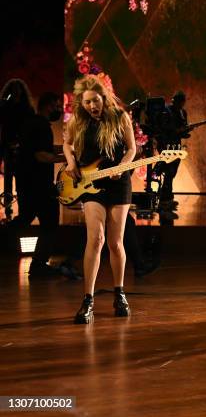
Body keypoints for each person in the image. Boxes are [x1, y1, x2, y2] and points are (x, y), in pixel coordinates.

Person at [63, 75, 136, 324]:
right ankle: (88, 299)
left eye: (95, 101)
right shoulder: (78, 121)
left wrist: (122, 167)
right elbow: (67, 144)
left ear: (104, 98)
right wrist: (72, 161)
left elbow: (131, 149)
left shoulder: (120, 117)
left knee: (115, 243)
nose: (92, 106)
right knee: (95, 239)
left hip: (118, 183)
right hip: (90, 184)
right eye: (87, 103)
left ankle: (120, 293)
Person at [10, 92, 65, 277]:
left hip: (27, 183)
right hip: (39, 185)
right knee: (50, 223)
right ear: (48, 105)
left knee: (24, 218)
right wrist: (68, 159)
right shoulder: (41, 126)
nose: (59, 110)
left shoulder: (32, 124)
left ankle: (36, 263)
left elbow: (45, 148)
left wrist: (67, 150)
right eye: (57, 106)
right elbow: (42, 155)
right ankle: (39, 265)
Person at [0, 78, 35, 220]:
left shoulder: (26, 107)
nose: (15, 91)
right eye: (12, 89)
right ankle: (8, 209)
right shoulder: (5, 105)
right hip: (7, 145)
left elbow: (30, 127)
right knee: (8, 178)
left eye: (17, 88)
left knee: (22, 179)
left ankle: (23, 210)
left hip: (23, 147)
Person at [156, 90, 188, 219]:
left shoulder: (182, 112)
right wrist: (177, 130)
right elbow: (163, 128)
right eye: (176, 100)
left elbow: (183, 127)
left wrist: (184, 131)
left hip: (176, 145)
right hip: (166, 145)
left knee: (172, 172)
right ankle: (164, 201)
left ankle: (168, 197)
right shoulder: (166, 111)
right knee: (168, 172)